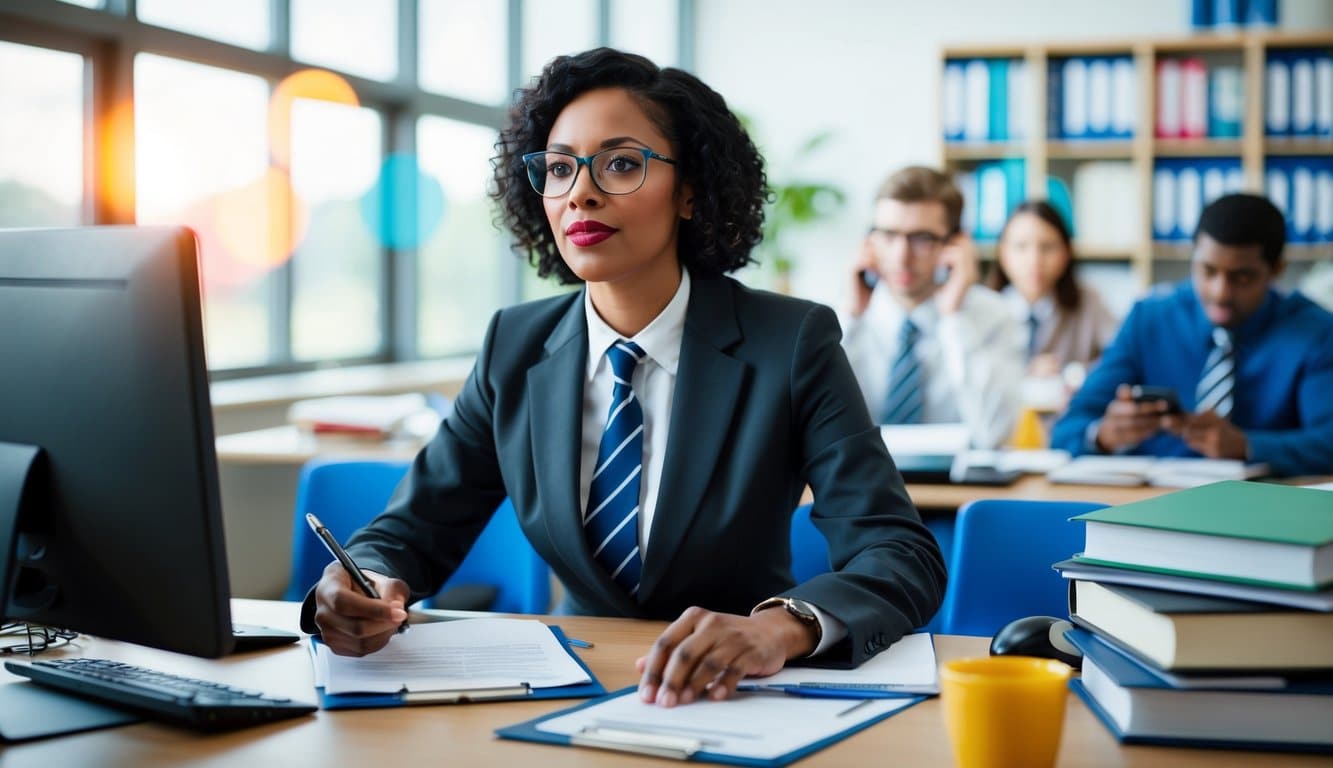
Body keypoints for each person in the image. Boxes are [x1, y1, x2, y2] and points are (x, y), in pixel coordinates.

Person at [303, 48, 946, 708]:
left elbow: (898, 553)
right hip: (567, 683)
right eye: (558, 168)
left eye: (620, 163)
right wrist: (362, 579)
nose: (581, 191)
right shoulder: (514, 345)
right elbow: (414, 528)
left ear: (690, 189)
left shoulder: (789, 341)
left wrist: (778, 628)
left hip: (740, 693)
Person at [1051, 193, 1333, 476]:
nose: (1220, 292)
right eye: (1207, 271)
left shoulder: (1315, 333)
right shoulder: (1149, 320)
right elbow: (1065, 431)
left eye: (1242, 277)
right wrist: (1102, 435)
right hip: (1146, 506)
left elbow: (1328, 442)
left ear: (1276, 271)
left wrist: (1246, 446)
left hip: (1264, 508)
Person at [842, 167, 1024, 449]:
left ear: (956, 244)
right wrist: (850, 321)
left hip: (955, 490)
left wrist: (954, 318)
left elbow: (994, 434)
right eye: (888, 235)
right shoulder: (844, 318)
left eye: (921, 239)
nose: (901, 256)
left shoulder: (994, 316)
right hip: (860, 485)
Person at [986, 200, 1119, 377]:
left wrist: (1072, 373)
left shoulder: (1089, 302)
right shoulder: (984, 308)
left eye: (1047, 247)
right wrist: (1023, 373)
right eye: (1021, 246)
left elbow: (1121, 356)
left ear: (1066, 253)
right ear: (1002, 253)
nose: (1034, 260)